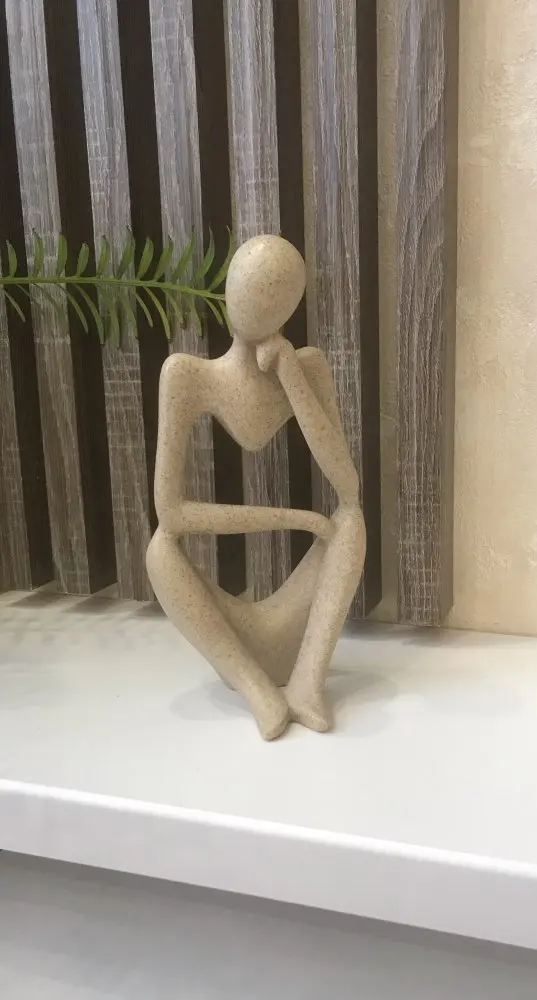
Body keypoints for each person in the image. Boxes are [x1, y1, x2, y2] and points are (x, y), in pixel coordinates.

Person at [146, 235, 365, 740]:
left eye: (272, 296)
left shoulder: (307, 368)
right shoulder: (186, 375)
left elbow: (348, 487)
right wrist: (293, 518)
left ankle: (308, 682)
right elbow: (172, 513)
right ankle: (256, 689)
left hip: (295, 624)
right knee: (161, 550)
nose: (252, 304)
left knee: (351, 521)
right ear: (227, 291)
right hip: (230, 634)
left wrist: (292, 377)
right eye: (244, 288)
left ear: (289, 309)